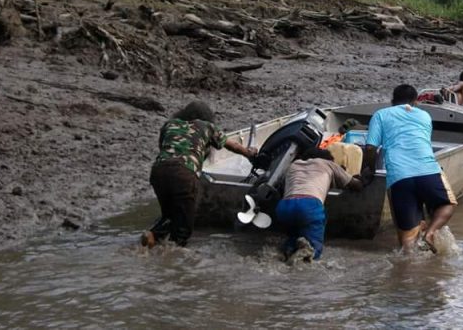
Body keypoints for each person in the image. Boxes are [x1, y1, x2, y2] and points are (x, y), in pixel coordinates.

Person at [141, 100, 257, 248]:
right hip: (184, 174)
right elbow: (232, 145)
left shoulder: (170, 124)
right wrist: (249, 153)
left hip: (158, 172)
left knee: (169, 215)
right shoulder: (207, 127)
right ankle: (174, 256)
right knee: (185, 226)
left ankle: (151, 237)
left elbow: (164, 147)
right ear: (207, 117)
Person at [362, 84, 457, 253]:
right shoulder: (424, 116)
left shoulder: (381, 115)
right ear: (415, 102)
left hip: (399, 177)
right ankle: (431, 232)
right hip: (428, 170)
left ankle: (407, 269)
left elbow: (370, 148)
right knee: (447, 205)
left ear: (392, 101)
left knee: (407, 243)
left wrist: (368, 170)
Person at [276, 147, 364, 262]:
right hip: (309, 205)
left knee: (291, 242)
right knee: (312, 252)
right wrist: (363, 178)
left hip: (284, 207)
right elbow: (356, 185)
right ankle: (306, 261)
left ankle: (287, 255)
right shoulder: (328, 164)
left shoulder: (294, 165)